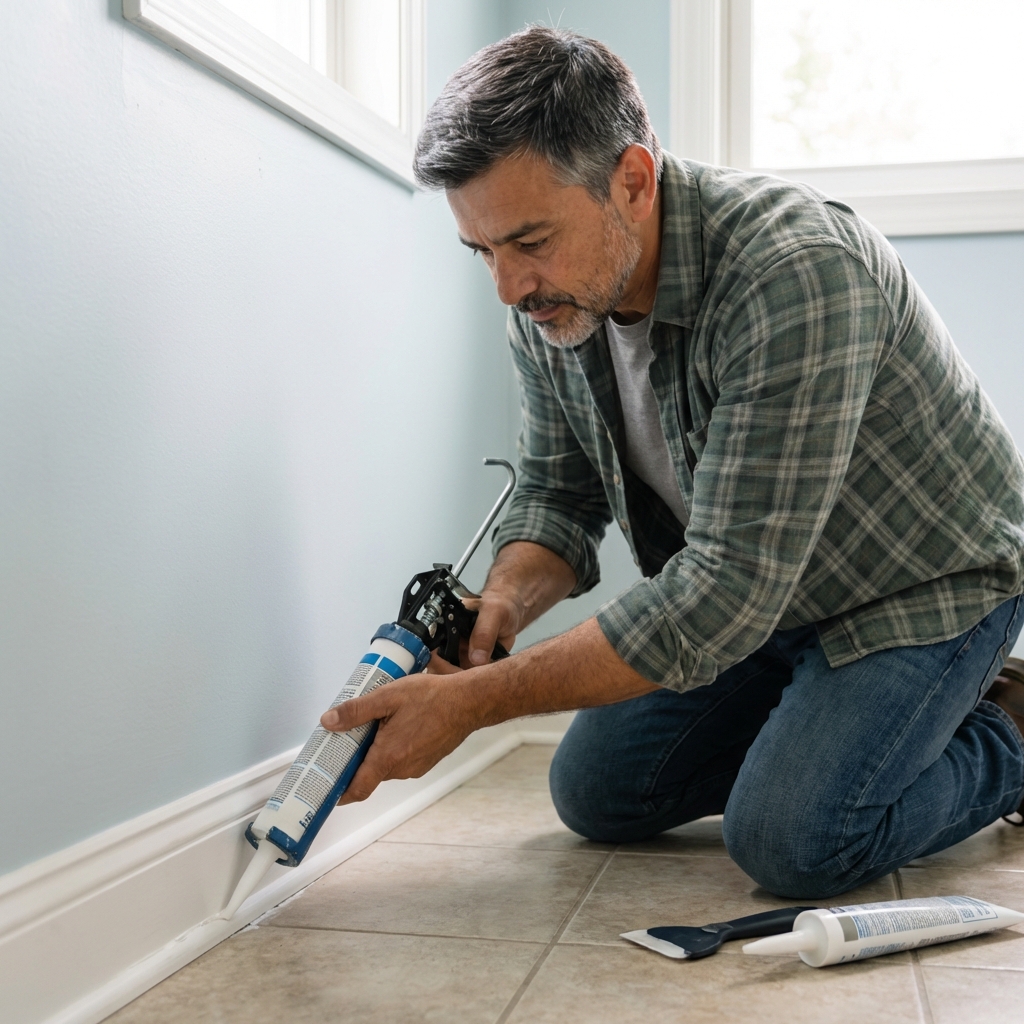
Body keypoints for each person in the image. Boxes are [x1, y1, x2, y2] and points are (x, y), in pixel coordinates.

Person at [320, 27, 1024, 898]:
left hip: (922, 585)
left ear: (634, 180)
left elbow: (720, 594)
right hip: (768, 601)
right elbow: (556, 496)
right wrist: (502, 603)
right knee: (598, 794)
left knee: (792, 842)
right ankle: (849, 726)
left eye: (529, 241)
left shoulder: (796, 270)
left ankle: (1007, 733)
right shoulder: (553, 303)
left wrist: (475, 701)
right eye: (483, 251)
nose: (507, 286)